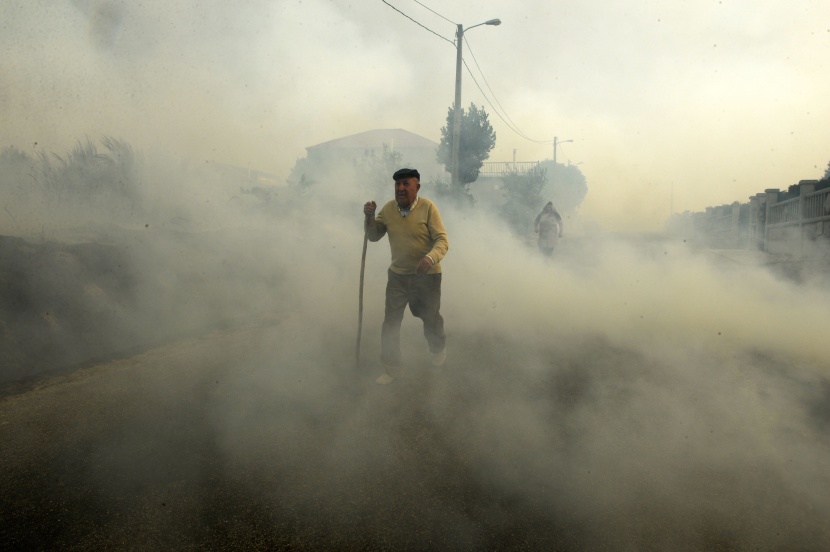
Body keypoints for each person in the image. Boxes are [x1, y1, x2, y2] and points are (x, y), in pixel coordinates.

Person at [363, 168, 449, 385]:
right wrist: (369, 217)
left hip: (427, 277)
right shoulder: (389, 209)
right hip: (398, 277)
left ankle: (437, 347)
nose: (400, 188)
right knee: (390, 322)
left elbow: (442, 241)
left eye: (405, 184)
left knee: (429, 318)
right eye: (397, 184)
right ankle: (392, 368)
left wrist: (430, 258)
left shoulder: (428, 208)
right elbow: (373, 236)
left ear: (417, 187)